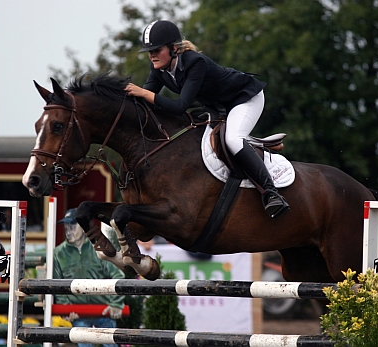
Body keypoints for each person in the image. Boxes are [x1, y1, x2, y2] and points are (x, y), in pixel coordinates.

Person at [124, 20, 289, 219]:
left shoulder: (194, 62)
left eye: (157, 50)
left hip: (244, 98)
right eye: (149, 51)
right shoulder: (159, 70)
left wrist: (142, 93)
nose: (152, 55)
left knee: (233, 139)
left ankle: (271, 193)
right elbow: (145, 102)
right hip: (217, 107)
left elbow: (179, 106)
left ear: (173, 48)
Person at [53, 208, 125, 347]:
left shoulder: (99, 248)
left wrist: (115, 304)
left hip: (104, 311)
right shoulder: (58, 253)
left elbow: (118, 276)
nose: (68, 230)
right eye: (66, 227)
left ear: (83, 226)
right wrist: (65, 309)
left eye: (72, 226)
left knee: (111, 344)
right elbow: (57, 284)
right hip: (78, 314)